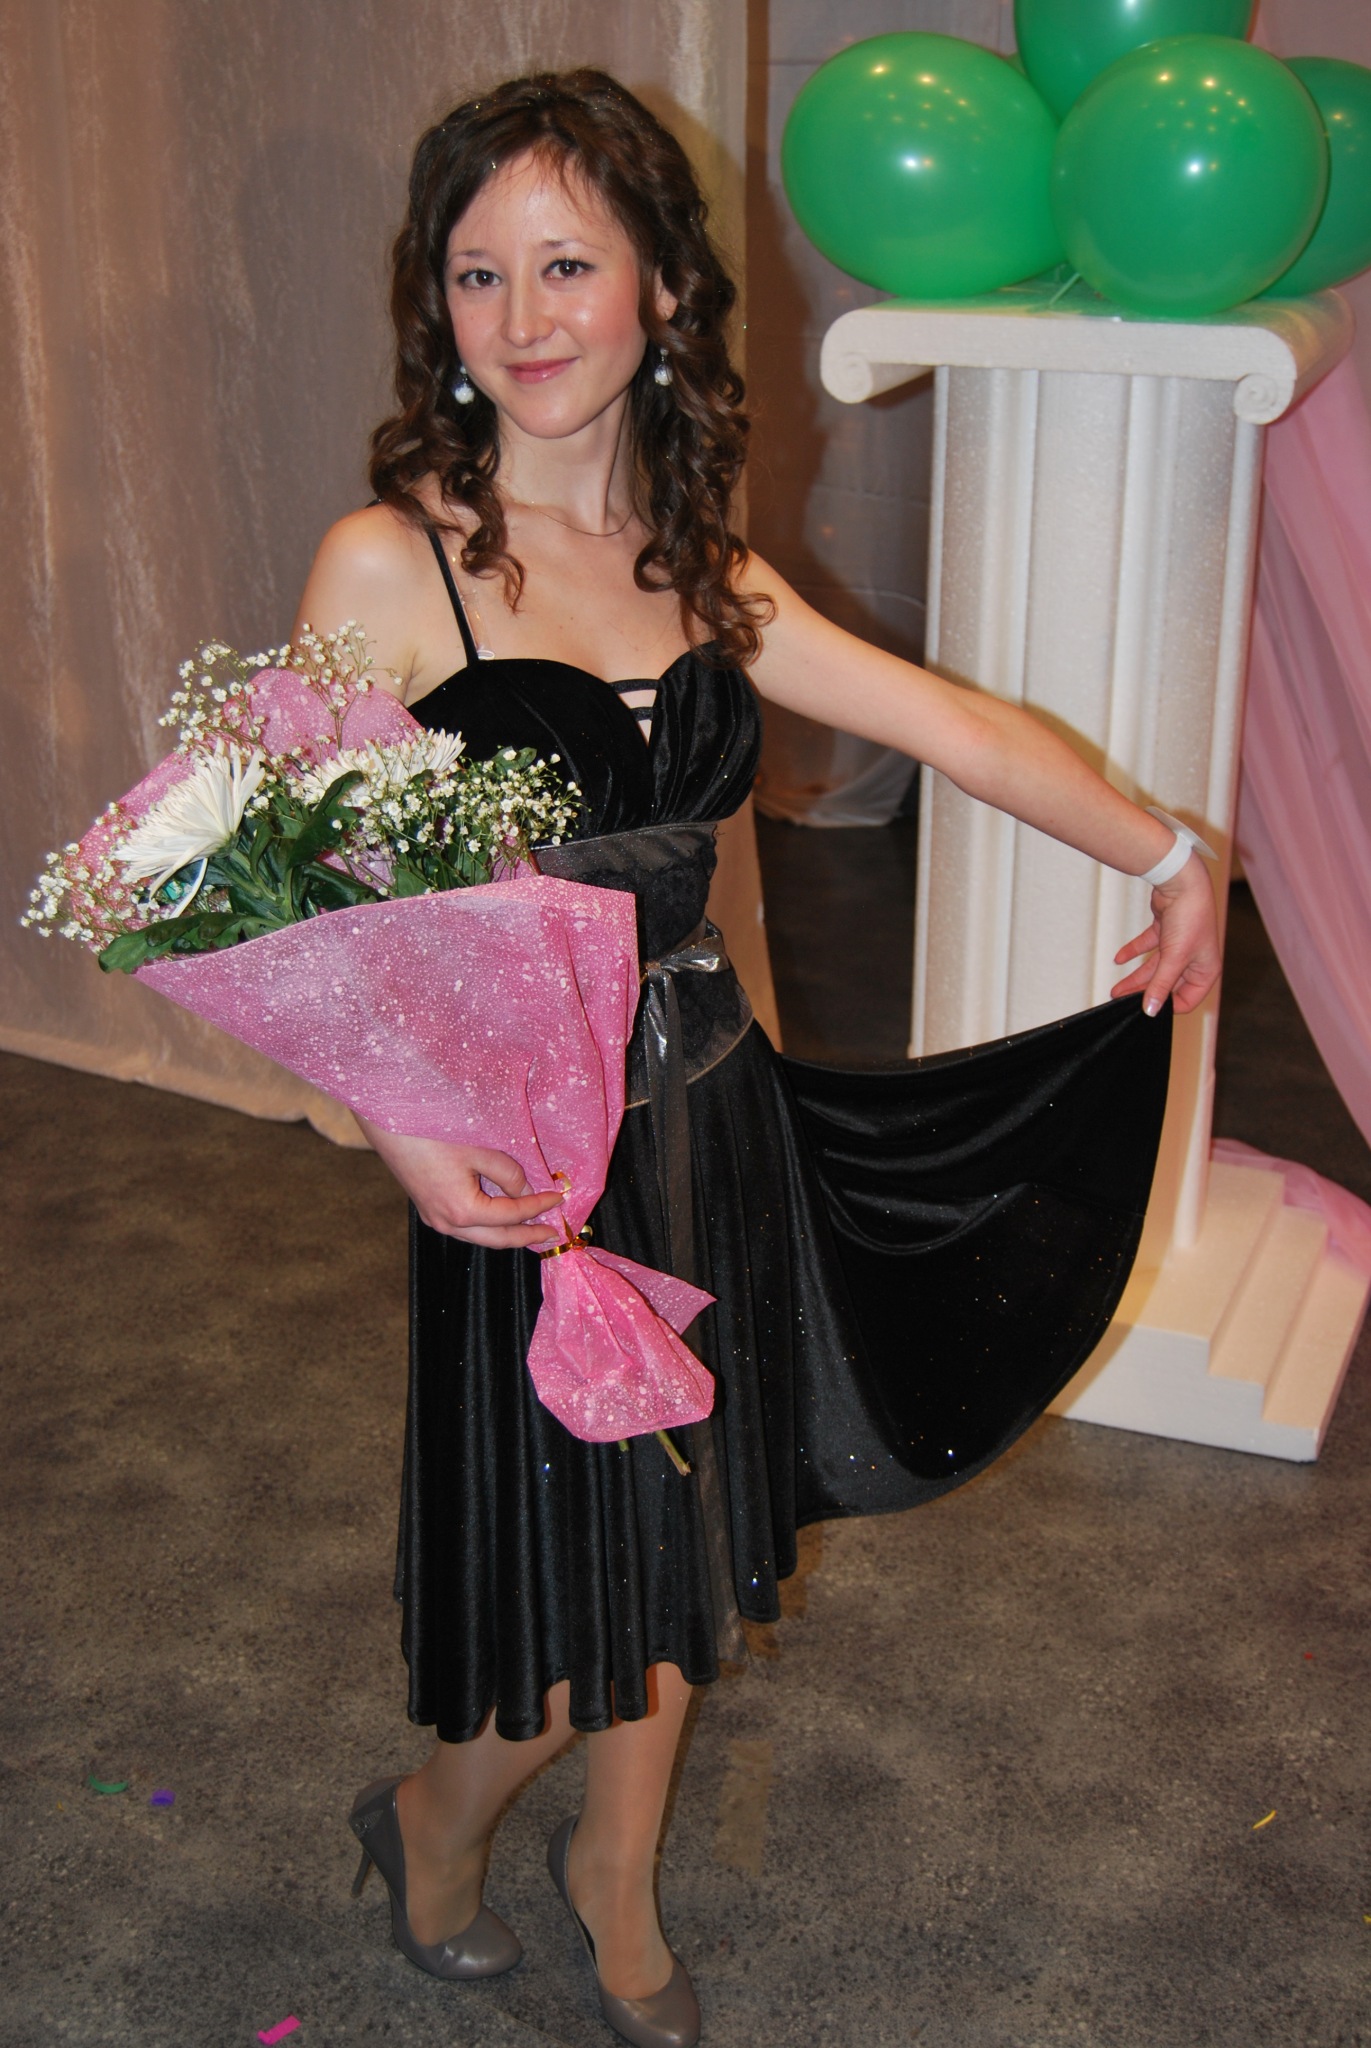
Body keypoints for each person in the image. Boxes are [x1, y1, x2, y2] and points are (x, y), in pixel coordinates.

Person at [294, 70, 1220, 2048]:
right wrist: (400, 1131)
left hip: (710, 1110)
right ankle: (433, 1814)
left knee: (695, 1532)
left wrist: (1167, 855)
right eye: (477, 272)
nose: (522, 314)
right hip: (524, 1161)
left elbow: (956, 727)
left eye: (567, 263)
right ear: (433, 305)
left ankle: (613, 1879)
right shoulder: (391, 565)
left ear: (657, 292)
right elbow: (301, 899)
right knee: (572, 1589)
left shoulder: (704, 565)